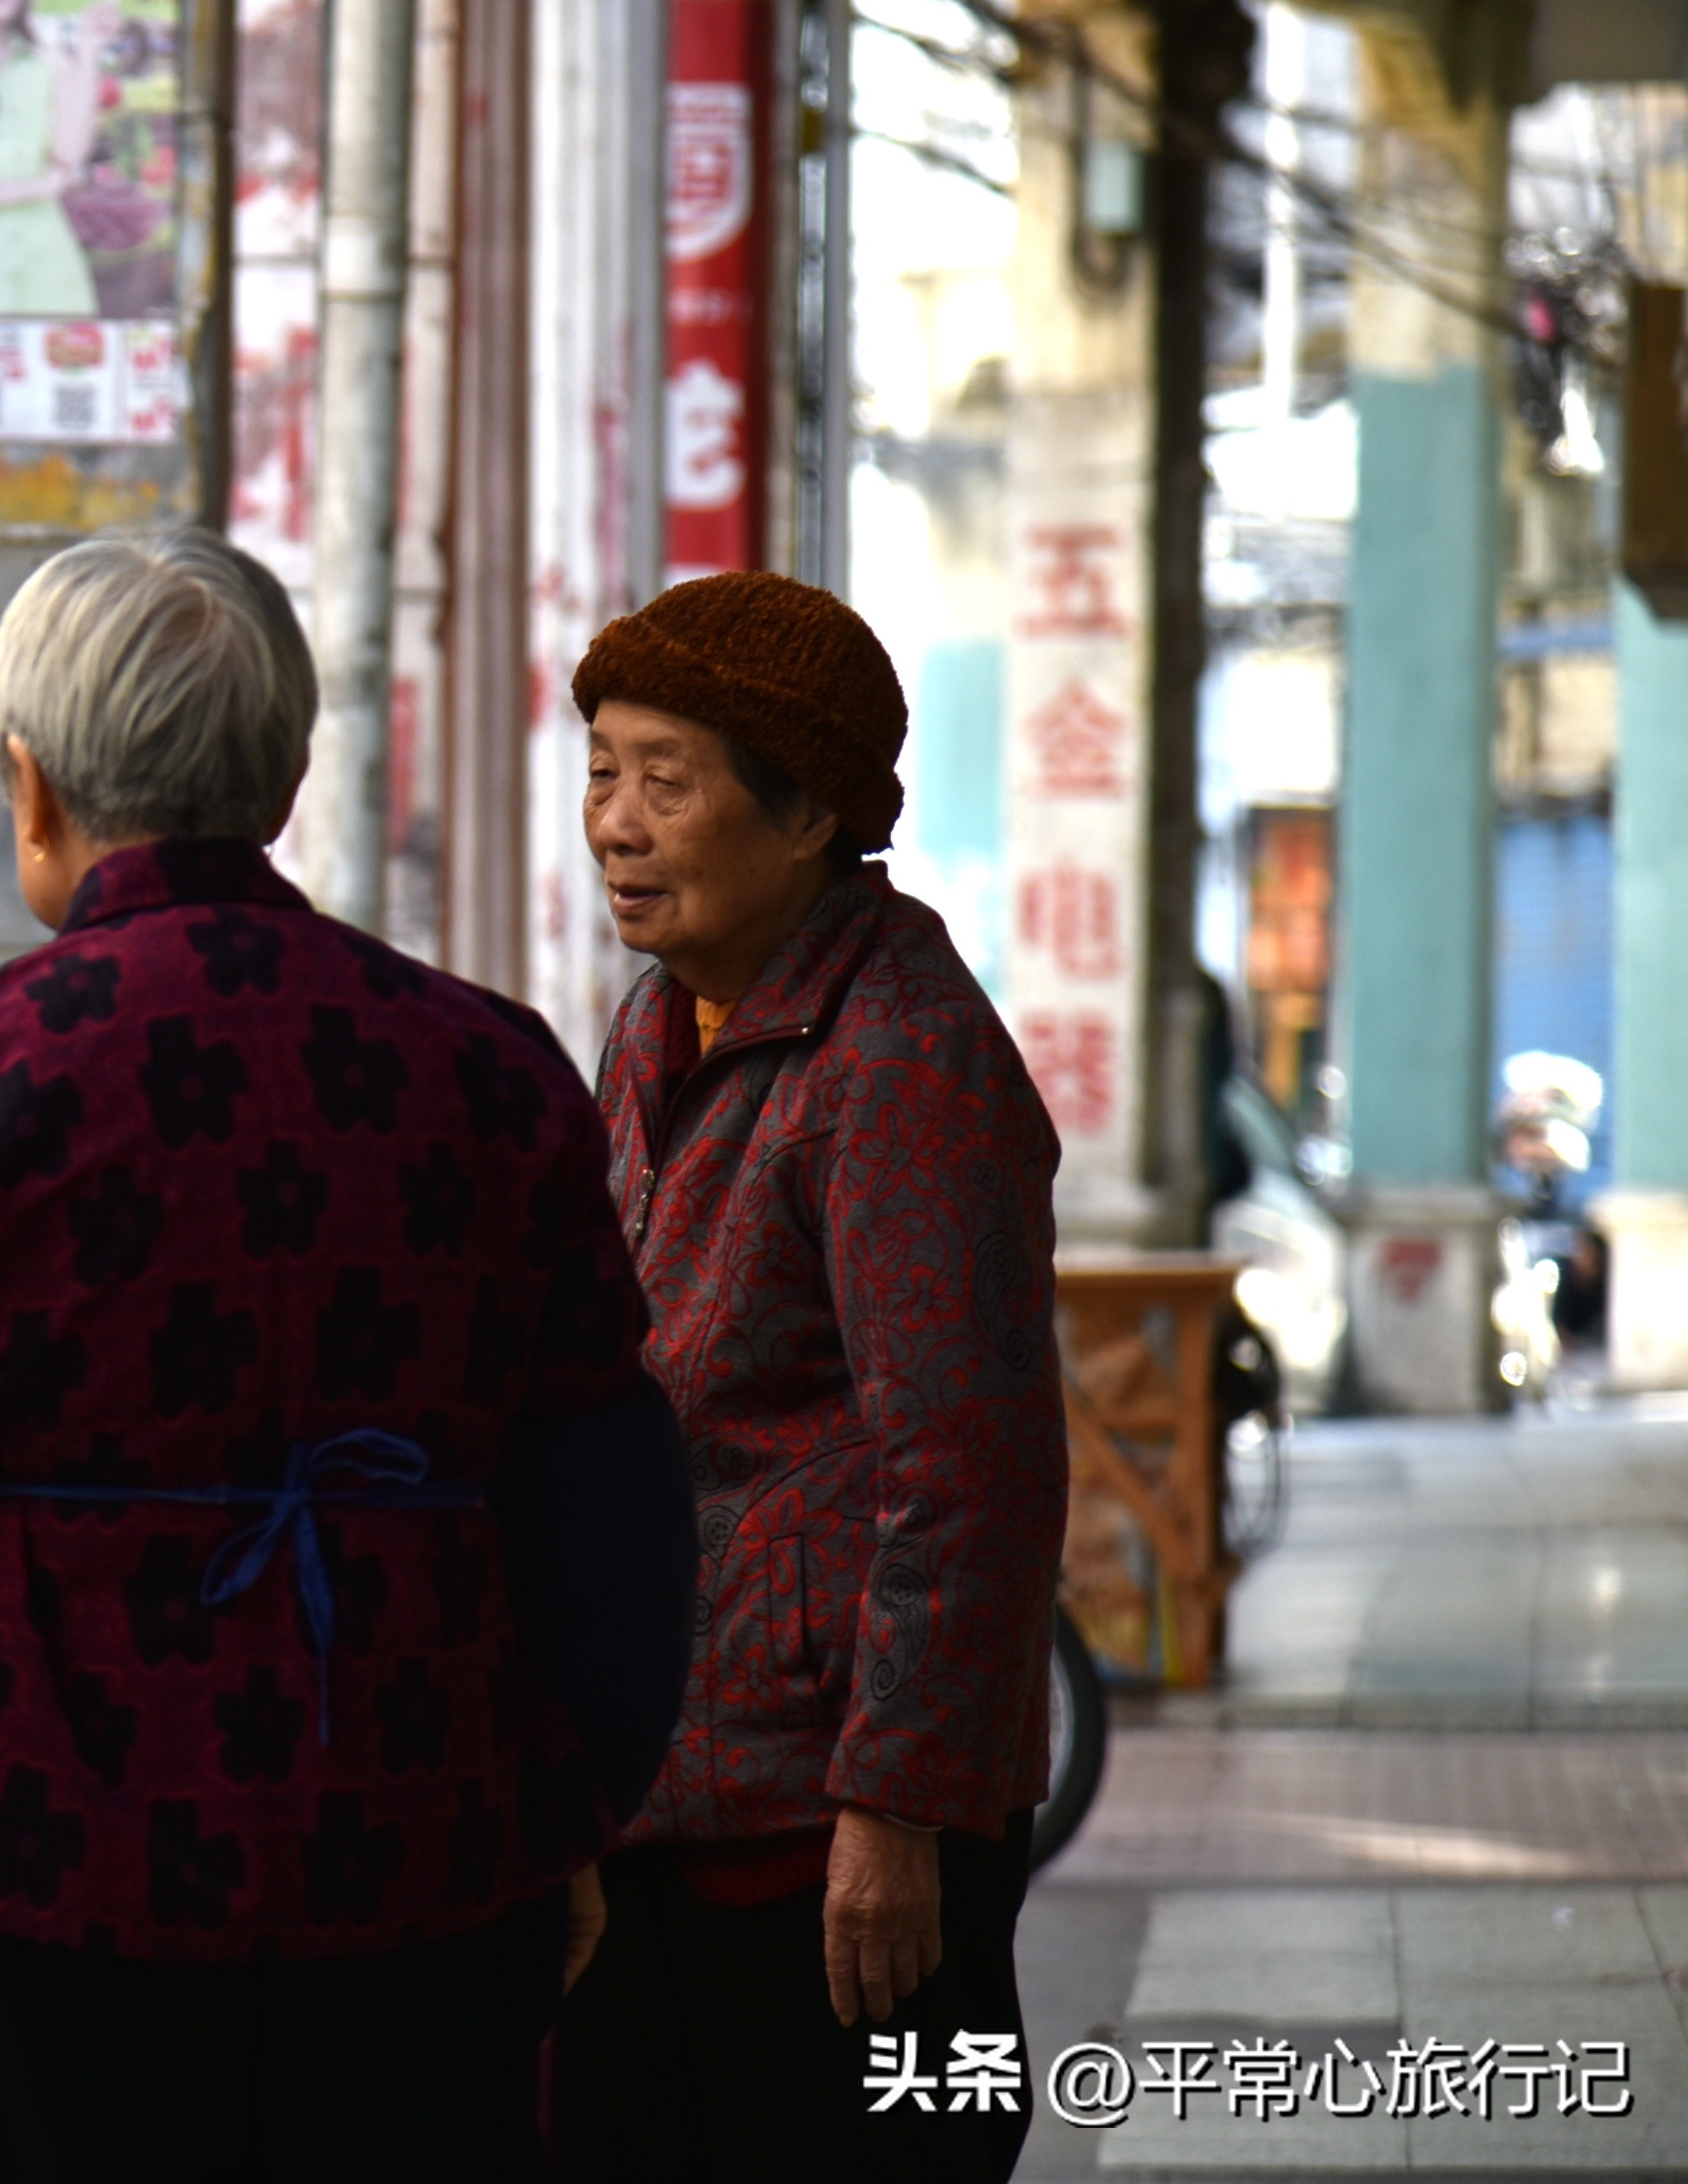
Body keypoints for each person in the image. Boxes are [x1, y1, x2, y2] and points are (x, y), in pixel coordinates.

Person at [0, 529, 699, 2182]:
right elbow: (611, 1505)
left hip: (32, 1886)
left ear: (30, 783)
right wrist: (570, 1809)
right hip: (422, 1858)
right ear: (283, 781)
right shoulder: (490, 1072)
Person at [546, 571, 1068, 2182]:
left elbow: (965, 1465)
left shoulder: (898, 1055)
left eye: (666, 778)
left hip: (829, 1816)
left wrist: (898, 1800)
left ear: (806, 816)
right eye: (601, 769)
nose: (614, 822)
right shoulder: (665, 1017)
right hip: (673, 1784)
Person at [0, 0, 121, 315]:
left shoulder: (45, 63)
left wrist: (88, 51)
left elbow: (68, 152)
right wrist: (37, 189)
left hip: (44, 266)